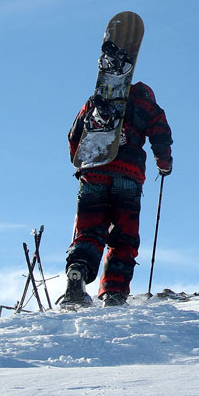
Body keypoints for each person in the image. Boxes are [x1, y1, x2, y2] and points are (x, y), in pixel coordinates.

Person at [62, 81, 173, 307]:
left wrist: (80, 163)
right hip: (128, 175)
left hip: (94, 172)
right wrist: (164, 164)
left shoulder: (95, 101)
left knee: (89, 230)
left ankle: (79, 269)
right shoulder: (147, 105)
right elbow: (161, 135)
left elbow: (75, 136)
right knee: (124, 236)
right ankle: (114, 291)